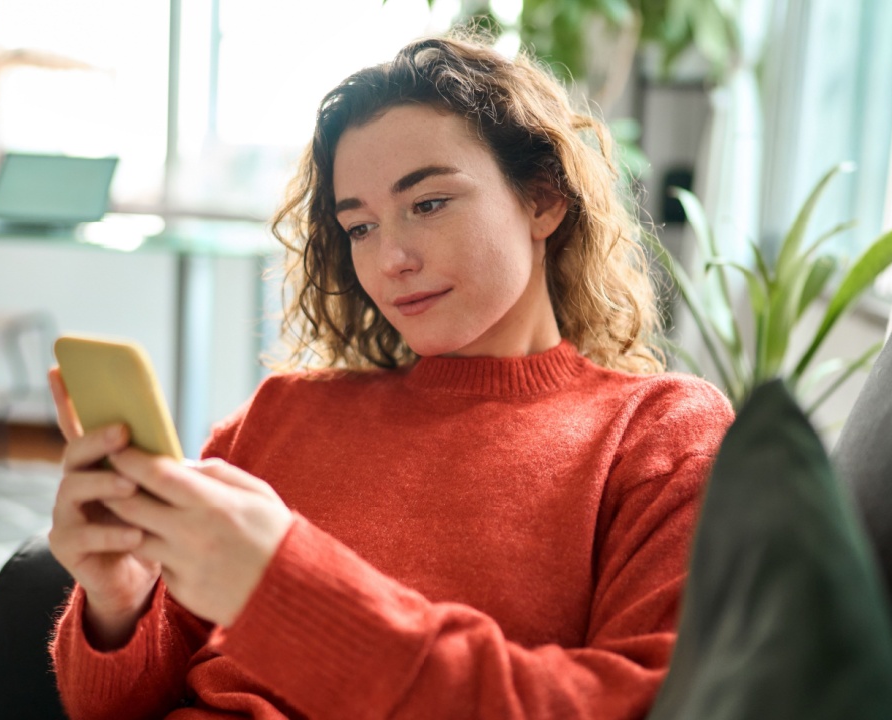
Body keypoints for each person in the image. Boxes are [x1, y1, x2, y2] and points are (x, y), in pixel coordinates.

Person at [46, 34, 733, 719]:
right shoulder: (279, 416)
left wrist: (290, 596)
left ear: (544, 199)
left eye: (428, 203)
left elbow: (641, 705)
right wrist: (119, 602)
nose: (391, 260)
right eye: (360, 227)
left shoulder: (658, 435)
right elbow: (111, 708)